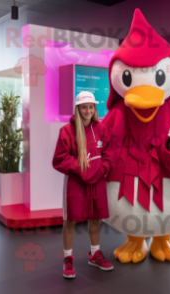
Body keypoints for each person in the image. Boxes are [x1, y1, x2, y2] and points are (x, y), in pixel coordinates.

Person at [52, 91, 114, 278]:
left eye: (91, 107)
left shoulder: (102, 129)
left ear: (95, 108)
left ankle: (95, 254)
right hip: (76, 182)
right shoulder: (67, 131)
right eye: (84, 107)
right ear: (78, 108)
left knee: (96, 218)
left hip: (98, 181)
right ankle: (68, 258)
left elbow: (110, 155)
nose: (88, 110)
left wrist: (101, 170)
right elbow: (60, 158)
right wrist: (82, 171)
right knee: (70, 219)